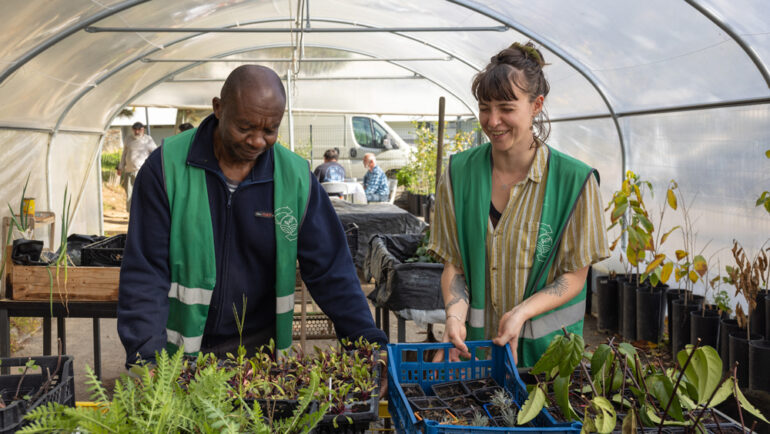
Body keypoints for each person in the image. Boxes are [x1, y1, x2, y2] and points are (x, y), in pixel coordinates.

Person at [117, 65, 387, 368]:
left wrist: (367, 342)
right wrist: (146, 356)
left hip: (259, 357)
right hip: (176, 356)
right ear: (218, 109)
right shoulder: (166, 168)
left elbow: (331, 269)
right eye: (244, 128)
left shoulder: (294, 178)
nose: (257, 141)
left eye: (269, 131)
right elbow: (145, 270)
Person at [428, 42, 609, 367]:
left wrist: (521, 313)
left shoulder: (575, 182)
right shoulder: (458, 175)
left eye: (506, 108)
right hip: (476, 357)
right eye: (485, 107)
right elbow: (454, 264)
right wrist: (455, 317)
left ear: (536, 105)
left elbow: (574, 276)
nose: (492, 121)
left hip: (548, 362)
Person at [117, 121, 157, 212]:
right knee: (129, 194)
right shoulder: (128, 138)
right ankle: (131, 214)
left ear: (143, 130)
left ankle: (143, 213)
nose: (137, 132)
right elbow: (124, 154)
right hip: (129, 171)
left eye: (139, 130)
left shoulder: (148, 140)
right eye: (135, 130)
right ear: (132, 130)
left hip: (142, 172)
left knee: (143, 193)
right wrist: (120, 167)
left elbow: (155, 154)